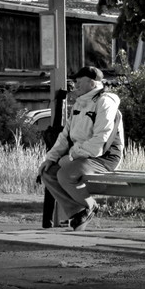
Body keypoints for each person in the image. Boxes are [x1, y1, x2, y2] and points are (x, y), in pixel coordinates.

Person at [38, 66, 123, 231]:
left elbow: (100, 140)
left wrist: (71, 157)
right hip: (81, 157)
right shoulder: (78, 104)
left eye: (79, 81)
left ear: (92, 83)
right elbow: (65, 135)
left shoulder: (105, 101)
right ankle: (82, 211)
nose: (75, 85)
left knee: (65, 174)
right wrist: (51, 158)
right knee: (48, 173)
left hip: (104, 156)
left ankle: (89, 207)